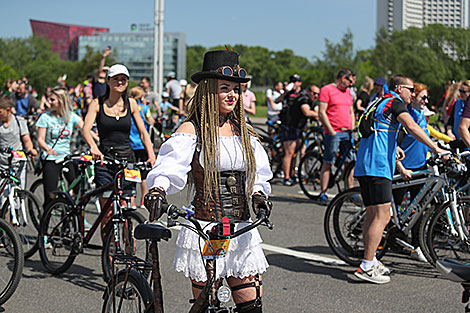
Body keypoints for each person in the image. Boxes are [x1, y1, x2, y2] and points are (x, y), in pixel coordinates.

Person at [144, 50, 272, 313]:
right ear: (208, 91)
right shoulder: (192, 130)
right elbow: (169, 167)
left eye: (235, 90)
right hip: (206, 228)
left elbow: (258, 172)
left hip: (241, 229)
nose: (232, 95)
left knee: (252, 304)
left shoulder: (244, 132)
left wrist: (258, 194)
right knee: (208, 305)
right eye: (225, 88)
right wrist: (158, 190)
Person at [353, 75, 446, 284]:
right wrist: (437, 148)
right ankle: (366, 266)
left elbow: (374, 130)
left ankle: (371, 258)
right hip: (378, 167)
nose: (412, 94)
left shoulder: (378, 101)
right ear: (399, 88)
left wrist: (394, 147)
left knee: (371, 215)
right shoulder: (395, 102)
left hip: (364, 165)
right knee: (383, 216)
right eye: (410, 89)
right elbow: (412, 127)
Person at [82, 64, 156, 235]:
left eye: (123, 79)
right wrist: (94, 147)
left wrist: (151, 155)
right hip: (105, 161)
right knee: (107, 213)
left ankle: (129, 253)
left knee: (128, 208)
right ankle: (109, 258)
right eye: (116, 78)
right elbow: (86, 129)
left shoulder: (131, 104)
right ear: (108, 81)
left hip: (127, 161)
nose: (120, 82)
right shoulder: (97, 103)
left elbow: (144, 132)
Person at [36, 87, 83, 206]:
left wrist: (97, 141)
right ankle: (45, 220)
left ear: (61, 101)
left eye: (52, 100)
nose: (49, 102)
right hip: (51, 158)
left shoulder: (71, 116)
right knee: (51, 195)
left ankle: (74, 216)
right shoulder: (45, 118)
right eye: (48, 99)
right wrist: (48, 149)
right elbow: (40, 140)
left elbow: (85, 130)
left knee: (78, 187)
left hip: (66, 157)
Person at [317, 68, 356, 204]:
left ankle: (349, 191)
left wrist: (352, 127)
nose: (350, 84)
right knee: (328, 161)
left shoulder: (348, 92)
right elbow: (322, 112)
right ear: (342, 78)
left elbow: (351, 111)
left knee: (349, 162)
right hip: (333, 131)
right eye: (349, 80)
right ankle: (323, 192)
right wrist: (331, 131)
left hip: (346, 132)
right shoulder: (327, 90)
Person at [0, 95, 37, 188]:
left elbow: (27, 140)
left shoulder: (19, 121)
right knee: (4, 197)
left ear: (8, 110)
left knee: (18, 191)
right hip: (2, 164)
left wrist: (30, 149)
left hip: (17, 163)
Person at [129, 87, 155, 209]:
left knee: (132, 173)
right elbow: (152, 121)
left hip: (130, 144)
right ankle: (143, 200)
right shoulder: (144, 108)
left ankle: (131, 201)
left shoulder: (128, 108)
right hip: (143, 144)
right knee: (144, 174)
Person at [277, 74, 303, 186]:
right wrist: (286, 92)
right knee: (288, 152)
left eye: (296, 81)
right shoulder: (288, 94)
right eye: (293, 81)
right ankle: (286, 177)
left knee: (295, 152)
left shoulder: (302, 95)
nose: (294, 83)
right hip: (287, 125)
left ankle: (293, 174)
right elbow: (278, 100)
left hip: (298, 125)